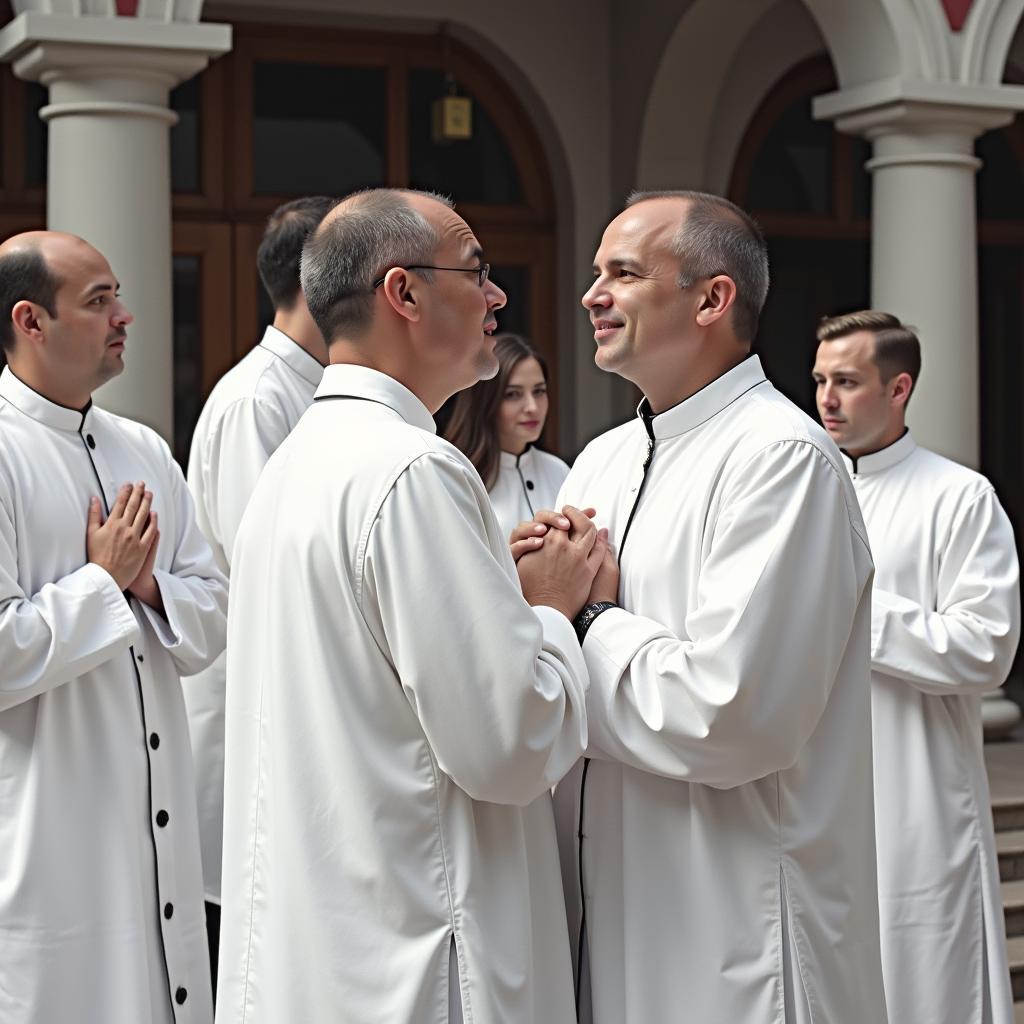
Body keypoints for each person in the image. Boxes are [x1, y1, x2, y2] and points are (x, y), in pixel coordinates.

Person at [217, 188, 606, 1024]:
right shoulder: (412, 470)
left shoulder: (297, 465)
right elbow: (506, 741)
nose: (498, 297)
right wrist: (547, 611)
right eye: (477, 271)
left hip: (332, 938)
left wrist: (486, 592)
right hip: (424, 944)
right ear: (404, 292)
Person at [516, 191, 887, 1022]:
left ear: (713, 299)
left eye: (622, 273)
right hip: (607, 899)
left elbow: (733, 713)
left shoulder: (781, 461)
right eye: (594, 273)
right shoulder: (603, 462)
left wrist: (587, 622)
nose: (591, 296)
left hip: (733, 914)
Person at [0, 231, 228, 1024]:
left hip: (155, 832)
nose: (125, 316)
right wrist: (103, 582)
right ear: (30, 320)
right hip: (48, 832)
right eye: (99, 302)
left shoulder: (145, 449)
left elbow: (212, 617)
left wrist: (146, 583)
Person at [813, 310, 1020, 1024]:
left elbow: (985, 647)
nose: (827, 399)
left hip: (916, 787)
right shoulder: (802, 489)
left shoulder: (960, 498)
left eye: (847, 381)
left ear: (899, 388)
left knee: (924, 979)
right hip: (811, 778)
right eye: (819, 380)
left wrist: (851, 607)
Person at [183, 194, 334, 977]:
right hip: (253, 713)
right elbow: (271, 572)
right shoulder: (256, 401)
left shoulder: (321, 386)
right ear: (319, 282)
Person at [444, 332, 569, 539]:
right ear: (486, 400)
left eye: (539, 391)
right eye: (513, 394)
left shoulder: (559, 471)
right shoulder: (457, 475)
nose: (532, 407)